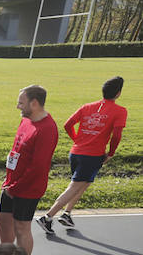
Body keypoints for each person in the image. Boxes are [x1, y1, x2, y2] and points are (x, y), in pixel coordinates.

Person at [38, 76, 126, 233]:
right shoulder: (120, 111)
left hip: (76, 153)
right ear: (118, 93)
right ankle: (48, 217)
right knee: (75, 186)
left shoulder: (87, 107)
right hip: (92, 155)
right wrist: (111, 153)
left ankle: (67, 213)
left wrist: (78, 139)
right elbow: (116, 136)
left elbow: (68, 124)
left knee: (84, 183)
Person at [0, 85, 58, 255]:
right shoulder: (26, 120)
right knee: (4, 220)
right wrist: (9, 181)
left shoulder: (47, 129)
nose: (18, 106)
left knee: (21, 226)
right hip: (11, 183)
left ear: (34, 103)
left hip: (28, 188)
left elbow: (38, 167)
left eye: (21, 103)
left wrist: (15, 187)